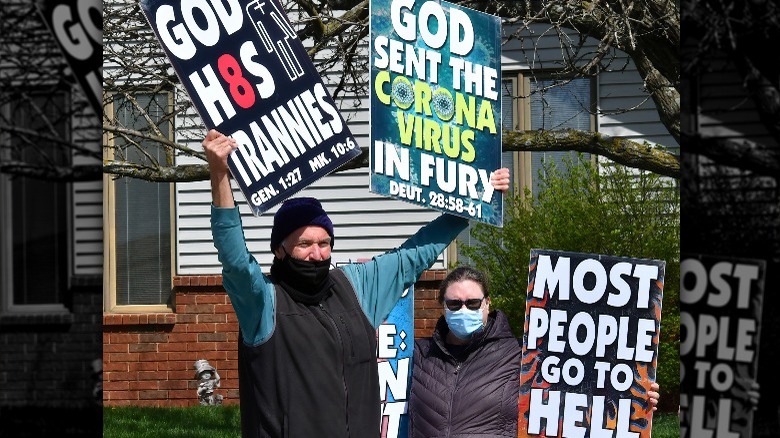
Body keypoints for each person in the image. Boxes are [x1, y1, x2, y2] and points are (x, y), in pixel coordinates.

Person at [203, 129, 510, 437]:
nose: (317, 253)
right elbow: (236, 261)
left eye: (324, 242)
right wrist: (220, 175)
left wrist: (476, 199)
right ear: (279, 250)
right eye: (304, 244)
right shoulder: (265, 301)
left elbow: (415, 254)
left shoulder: (354, 286)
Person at [408, 266, 661, 437]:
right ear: (443, 306)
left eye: (472, 303)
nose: (463, 309)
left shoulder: (521, 355)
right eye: (454, 303)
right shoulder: (418, 355)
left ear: (487, 303)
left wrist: (635, 396)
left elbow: (580, 388)